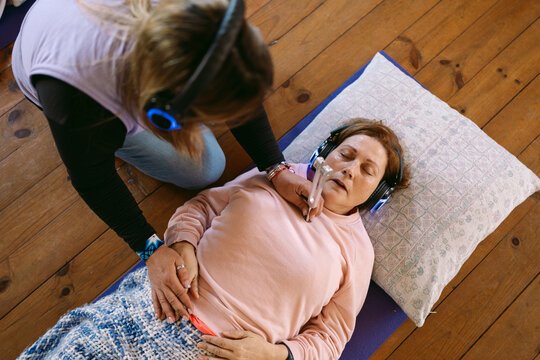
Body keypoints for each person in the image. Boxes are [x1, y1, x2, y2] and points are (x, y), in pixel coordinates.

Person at [11, 0, 319, 324]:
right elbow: (92, 179)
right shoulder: (80, 104)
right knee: (204, 168)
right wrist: (149, 248)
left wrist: (275, 166)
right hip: (56, 68)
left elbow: (236, 84)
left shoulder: (201, 12)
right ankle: (122, 137)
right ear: (165, 117)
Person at [18, 119, 410, 360]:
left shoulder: (357, 253)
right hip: (161, 304)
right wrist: (183, 247)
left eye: (367, 170)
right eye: (346, 154)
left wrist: (275, 355)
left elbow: (330, 339)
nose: (349, 169)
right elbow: (200, 209)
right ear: (326, 152)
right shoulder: (277, 175)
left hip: (223, 352)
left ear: (376, 194)